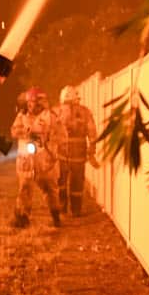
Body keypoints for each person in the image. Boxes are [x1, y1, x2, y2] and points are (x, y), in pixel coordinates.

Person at [9, 87, 66, 228]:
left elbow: (62, 136)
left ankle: (56, 216)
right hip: (26, 161)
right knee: (25, 188)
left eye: (32, 102)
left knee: (51, 189)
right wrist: (26, 132)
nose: (30, 105)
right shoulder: (22, 117)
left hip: (45, 160)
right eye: (28, 102)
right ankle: (22, 218)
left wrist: (49, 141)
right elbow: (14, 131)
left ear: (40, 102)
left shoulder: (51, 117)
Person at [55, 85, 98, 217]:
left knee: (61, 183)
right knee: (76, 184)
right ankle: (76, 210)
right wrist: (91, 151)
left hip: (62, 155)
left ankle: (63, 209)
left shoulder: (57, 112)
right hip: (76, 155)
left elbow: (51, 131)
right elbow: (92, 133)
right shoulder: (85, 111)